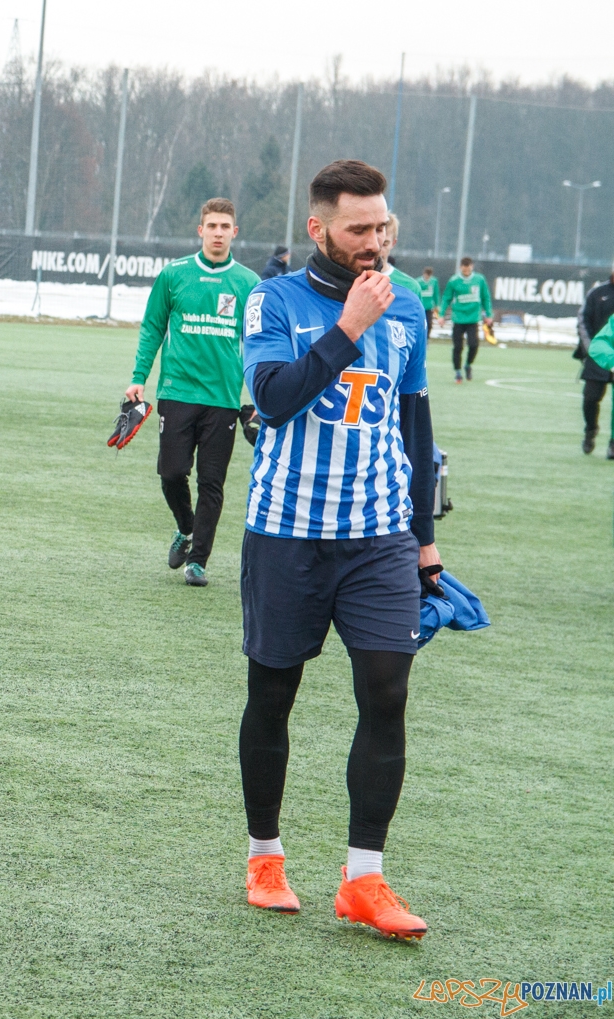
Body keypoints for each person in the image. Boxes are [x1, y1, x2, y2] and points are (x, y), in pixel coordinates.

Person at [238, 160, 438, 940]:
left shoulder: (410, 305)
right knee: (273, 695)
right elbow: (275, 399)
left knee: (387, 692)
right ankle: (264, 855)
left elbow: (414, 425)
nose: (375, 241)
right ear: (319, 229)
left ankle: (364, 877)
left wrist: (426, 543)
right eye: (360, 228)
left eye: (383, 227)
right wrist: (348, 324)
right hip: (288, 532)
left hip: (381, 537)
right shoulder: (274, 299)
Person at [124, 198, 259, 587]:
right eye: (212, 226)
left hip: (222, 399)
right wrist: (139, 376)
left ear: (235, 232)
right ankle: (185, 529)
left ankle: (197, 561)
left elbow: (259, 341)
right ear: (200, 230)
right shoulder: (174, 274)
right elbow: (152, 327)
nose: (218, 232)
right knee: (172, 473)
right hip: (177, 391)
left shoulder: (249, 283)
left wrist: (258, 397)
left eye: (225, 226)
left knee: (211, 483)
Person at [575, 272, 614, 456]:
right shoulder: (597, 292)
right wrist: (592, 348)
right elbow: (583, 320)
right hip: (599, 354)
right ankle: (591, 430)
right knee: (590, 398)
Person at [440, 257, 491, 382]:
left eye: (468, 269)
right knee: (458, 347)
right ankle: (458, 372)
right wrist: (441, 315)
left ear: (472, 267)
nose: (466, 271)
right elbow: (446, 297)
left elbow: (486, 297)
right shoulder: (454, 281)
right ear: (460, 268)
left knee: (474, 345)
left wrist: (489, 314)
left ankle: (468, 365)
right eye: (464, 269)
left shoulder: (479, 279)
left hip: (473, 319)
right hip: (458, 319)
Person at [415, 266, 439, 336]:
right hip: (420, 307)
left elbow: (436, 293)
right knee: (420, 323)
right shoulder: (418, 281)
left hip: (429, 307)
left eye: (429, 276)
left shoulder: (434, 281)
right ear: (424, 274)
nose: (427, 277)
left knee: (429, 324)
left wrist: (437, 305)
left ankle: (426, 339)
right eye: (426, 275)